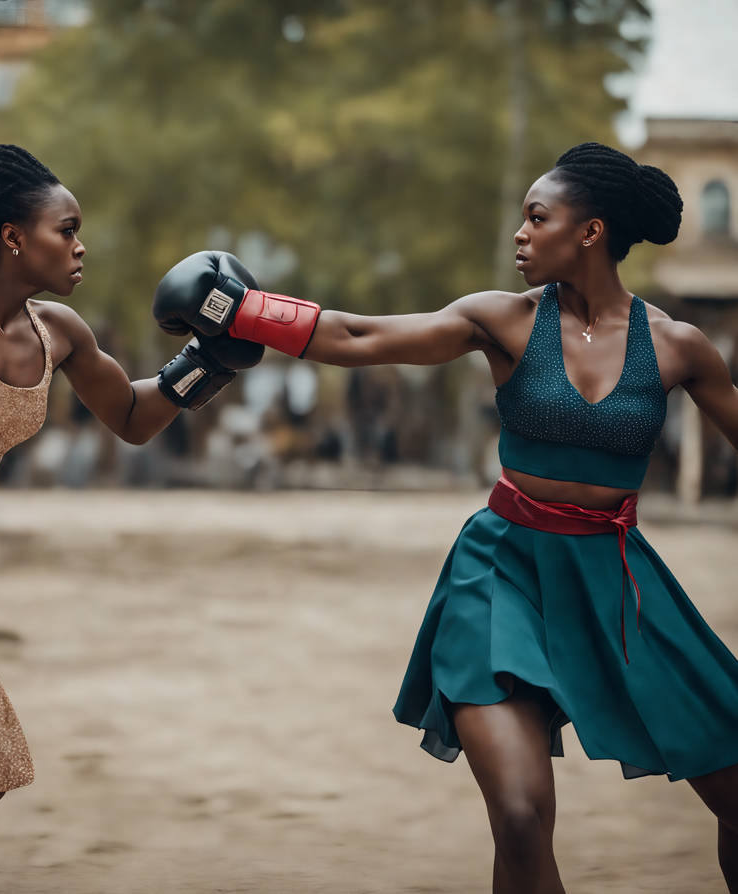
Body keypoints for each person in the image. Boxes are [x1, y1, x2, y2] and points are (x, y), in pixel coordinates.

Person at [152, 142, 738, 893]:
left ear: (590, 231)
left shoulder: (679, 348)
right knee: (522, 817)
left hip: (618, 580)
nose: (519, 234)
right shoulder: (504, 320)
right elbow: (358, 336)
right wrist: (247, 311)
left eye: (538, 217)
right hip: (503, 575)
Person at [0, 144, 262, 893]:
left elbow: (133, 416)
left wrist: (215, 359)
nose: (79, 246)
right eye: (65, 230)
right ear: (14, 236)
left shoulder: (59, 332)